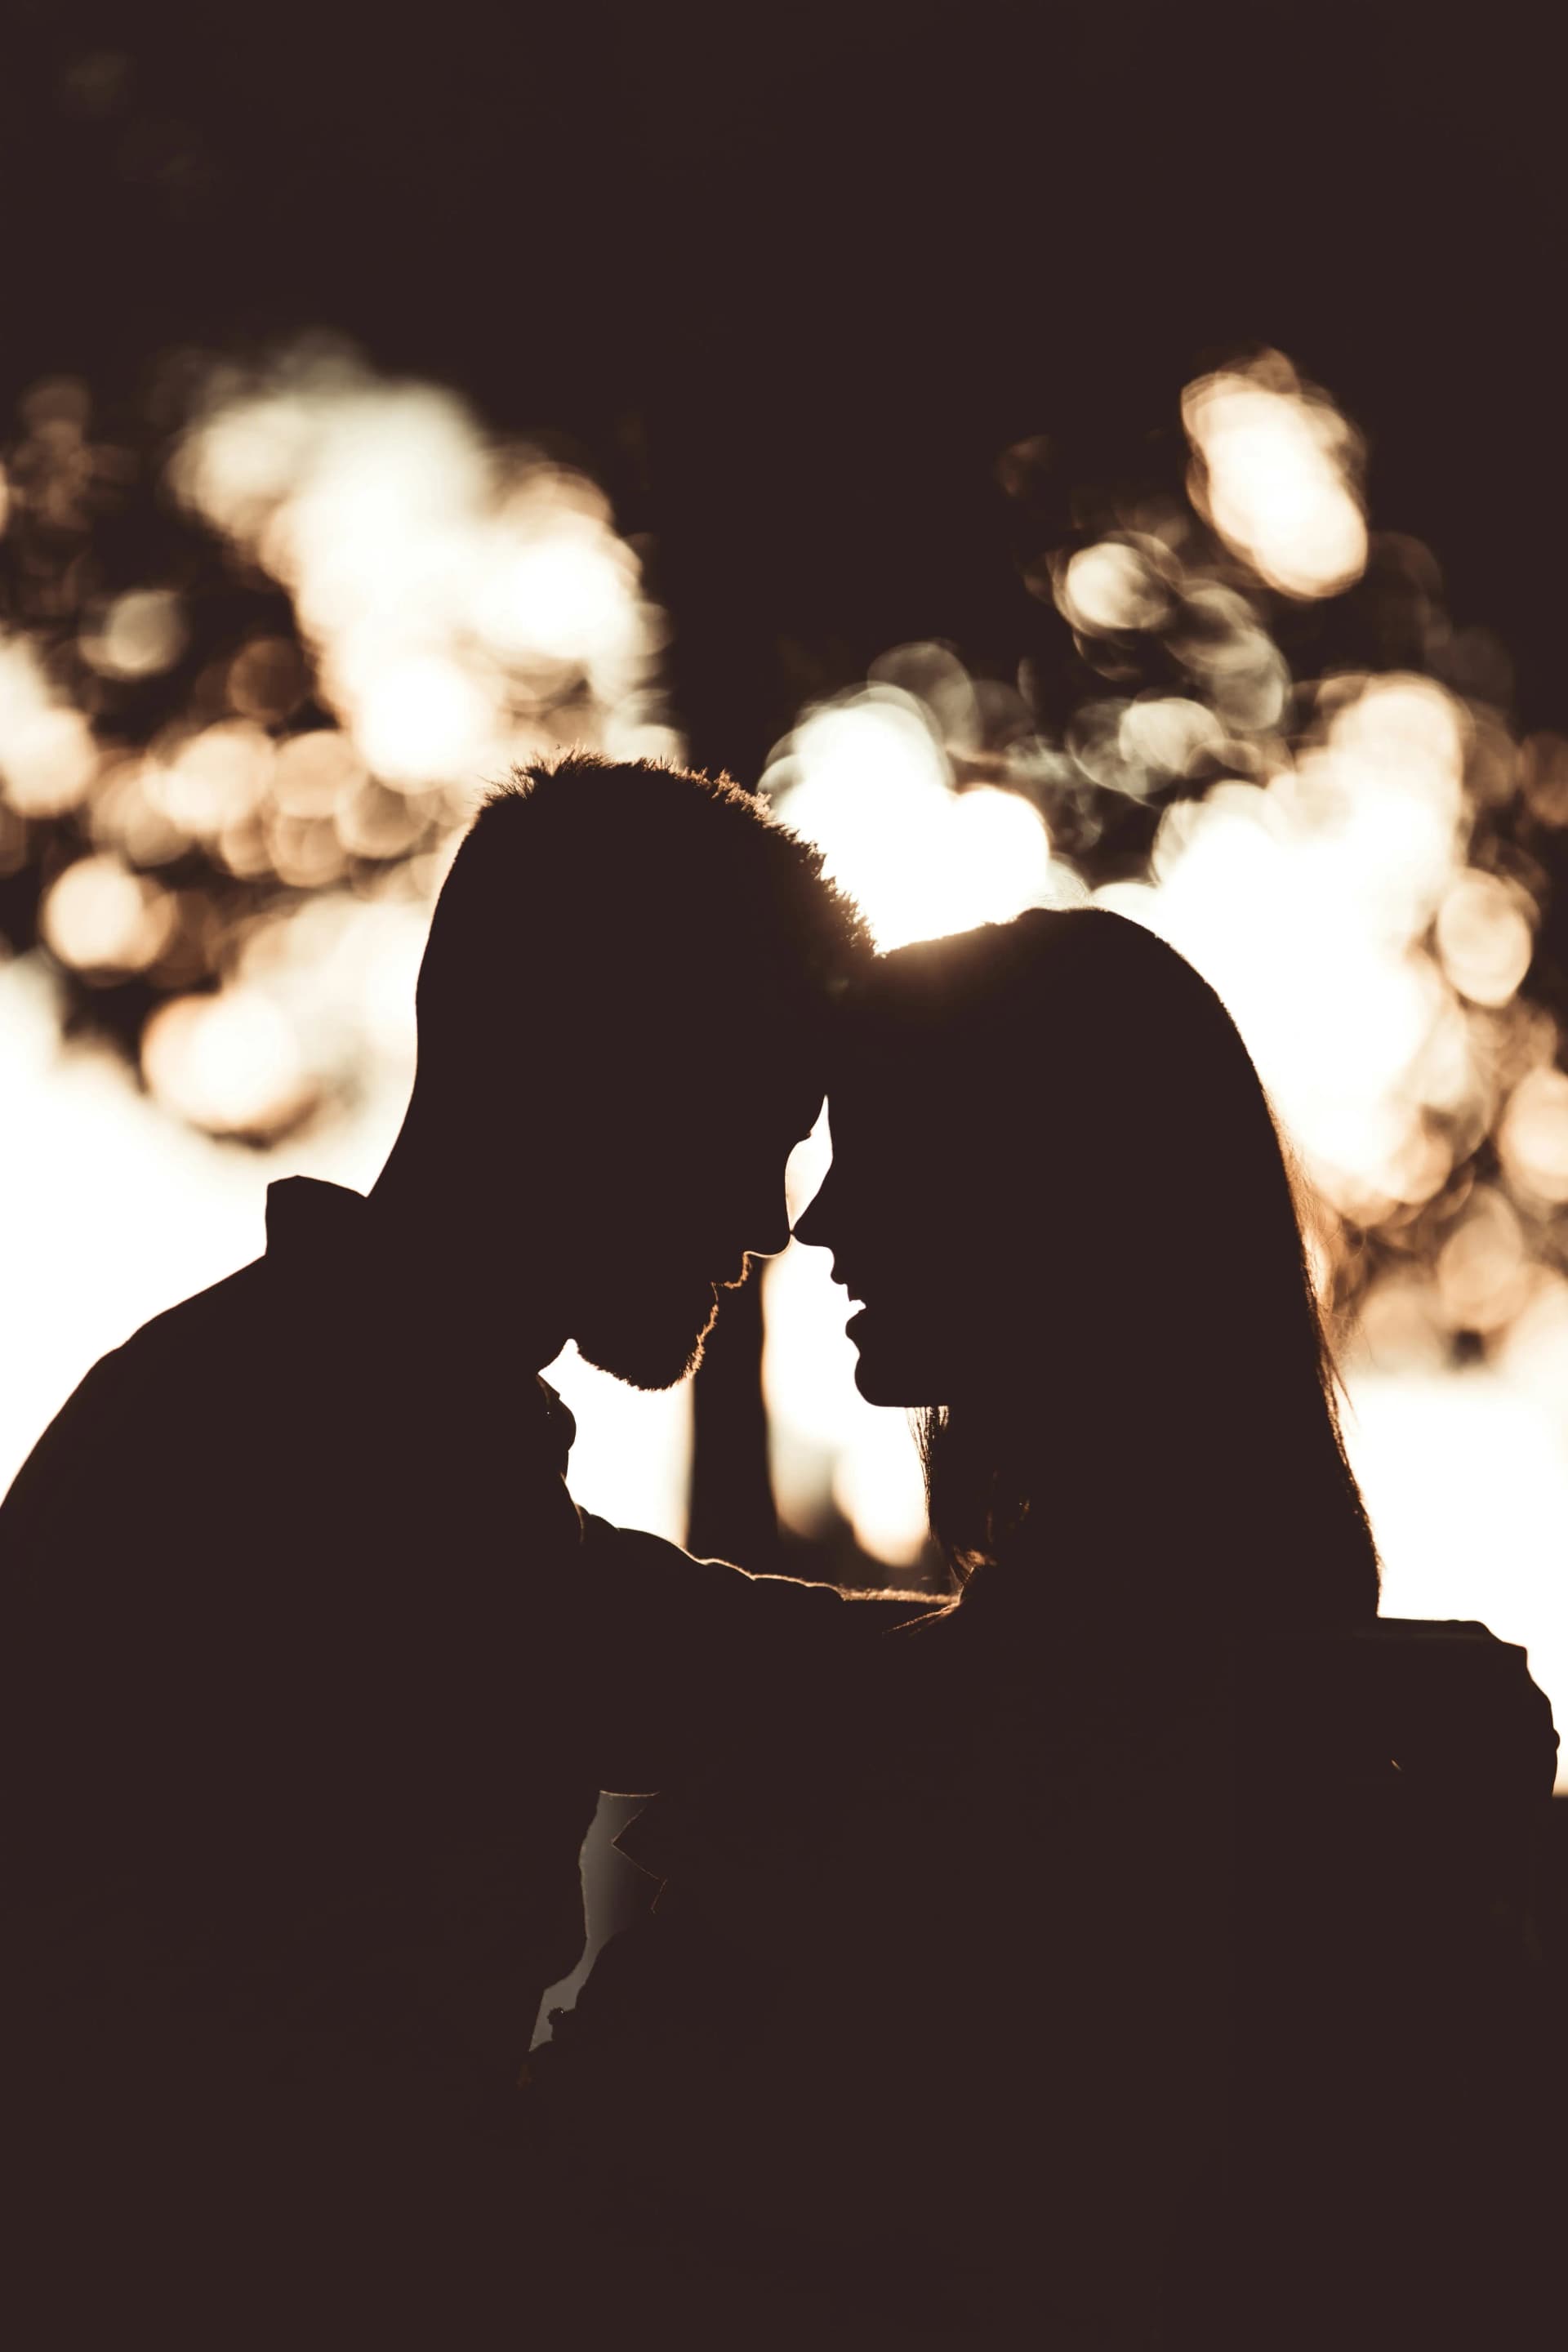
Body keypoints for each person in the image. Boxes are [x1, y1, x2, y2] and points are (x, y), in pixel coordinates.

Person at [529, 907, 1559, 2348]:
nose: (817, 1221)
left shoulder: (1015, 1739)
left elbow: (640, 2156)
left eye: (881, 1147)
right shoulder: (1203, 1675)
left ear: (1047, 1187)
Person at [0, 752, 920, 2345]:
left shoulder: (330, 1416)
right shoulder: (314, 1457)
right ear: (594, 1070)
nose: (771, 1220)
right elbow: (668, 1655)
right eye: (749, 1127)